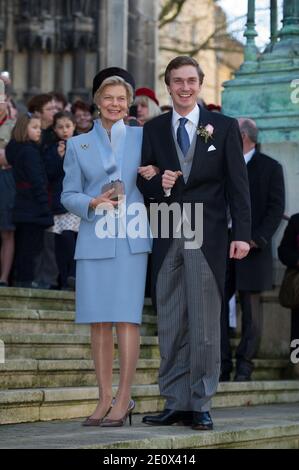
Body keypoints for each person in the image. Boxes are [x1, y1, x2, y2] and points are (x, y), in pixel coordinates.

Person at [137, 56, 251, 431]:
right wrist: (159, 183)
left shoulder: (223, 126)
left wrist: (243, 235)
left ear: (200, 84)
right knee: (170, 322)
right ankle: (175, 401)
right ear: (168, 85)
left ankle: (200, 402)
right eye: (177, 81)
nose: (184, 87)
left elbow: (238, 185)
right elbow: (144, 182)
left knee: (204, 325)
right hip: (168, 232)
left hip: (209, 235)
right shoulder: (152, 129)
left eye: (191, 81)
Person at [61, 67, 154, 427]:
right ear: (97, 102)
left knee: (127, 320)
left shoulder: (144, 137)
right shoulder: (78, 144)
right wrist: (92, 202)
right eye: (108, 98)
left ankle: (124, 399)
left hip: (131, 238)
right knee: (98, 322)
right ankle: (103, 399)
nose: (114, 104)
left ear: (129, 104)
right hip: (94, 236)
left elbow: (163, 172)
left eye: (121, 99)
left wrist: (157, 172)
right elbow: (68, 194)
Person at [220, 118, 285, 382]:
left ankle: (244, 366)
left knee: (252, 310)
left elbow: (275, 209)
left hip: (253, 250)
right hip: (222, 247)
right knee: (217, 307)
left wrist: (256, 239)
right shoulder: (222, 166)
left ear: (243, 137)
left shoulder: (271, 167)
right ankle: (222, 365)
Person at [6, 113, 53, 287]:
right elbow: (37, 182)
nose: (39, 131)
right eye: (34, 128)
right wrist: (44, 208)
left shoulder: (18, 149)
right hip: (32, 207)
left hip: (22, 205)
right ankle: (26, 281)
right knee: (30, 248)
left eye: (39, 128)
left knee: (24, 246)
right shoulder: (29, 152)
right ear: (23, 129)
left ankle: (23, 279)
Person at [44, 111, 79, 290]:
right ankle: (64, 280)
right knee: (58, 242)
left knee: (69, 237)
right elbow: (50, 173)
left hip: (75, 199)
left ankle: (73, 273)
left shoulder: (82, 145)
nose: (65, 130)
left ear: (74, 126)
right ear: (55, 129)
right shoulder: (51, 148)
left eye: (68, 126)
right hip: (58, 201)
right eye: (60, 127)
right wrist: (59, 157)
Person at [278, 213, 299, 377]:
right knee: (297, 332)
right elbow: (283, 251)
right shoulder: (296, 221)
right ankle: (296, 368)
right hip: (298, 291)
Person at [0, 79, 16, 287]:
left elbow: (12, 157)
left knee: (6, 230)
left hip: (7, 181)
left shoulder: (15, 127)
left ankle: (3, 277)